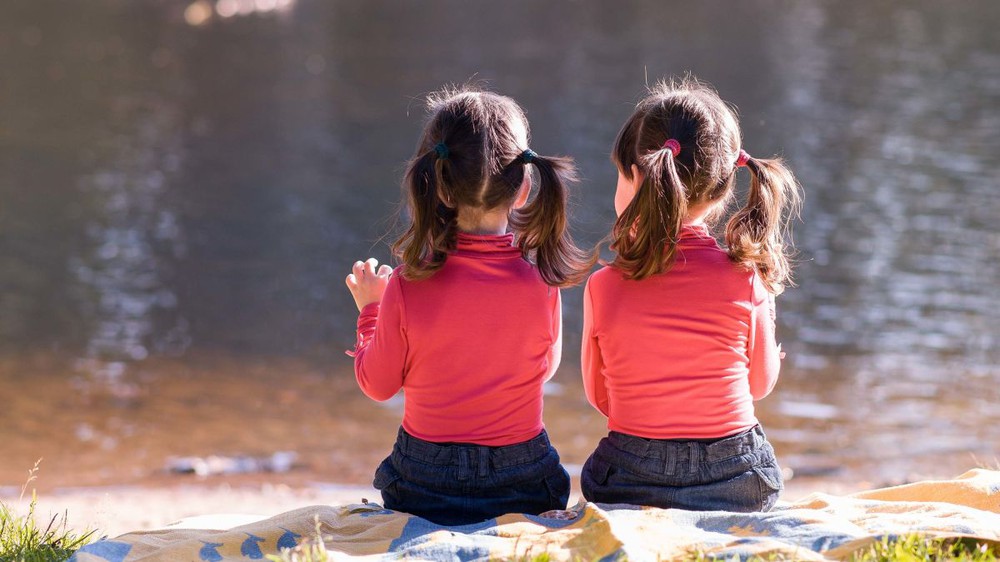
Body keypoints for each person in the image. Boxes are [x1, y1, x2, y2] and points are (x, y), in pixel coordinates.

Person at [345, 86, 592, 526]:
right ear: (523, 189)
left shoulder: (406, 284)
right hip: (523, 478)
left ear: (436, 185)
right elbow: (546, 367)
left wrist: (371, 313)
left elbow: (377, 385)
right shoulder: (541, 279)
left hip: (425, 484)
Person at [580, 78, 802, 512]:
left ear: (638, 176)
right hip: (736, 478)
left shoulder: (603, 286)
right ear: (722, 191)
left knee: (593, 472)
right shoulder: (745, 277)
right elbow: (758, 385)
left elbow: (599, 397)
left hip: (630, 478)